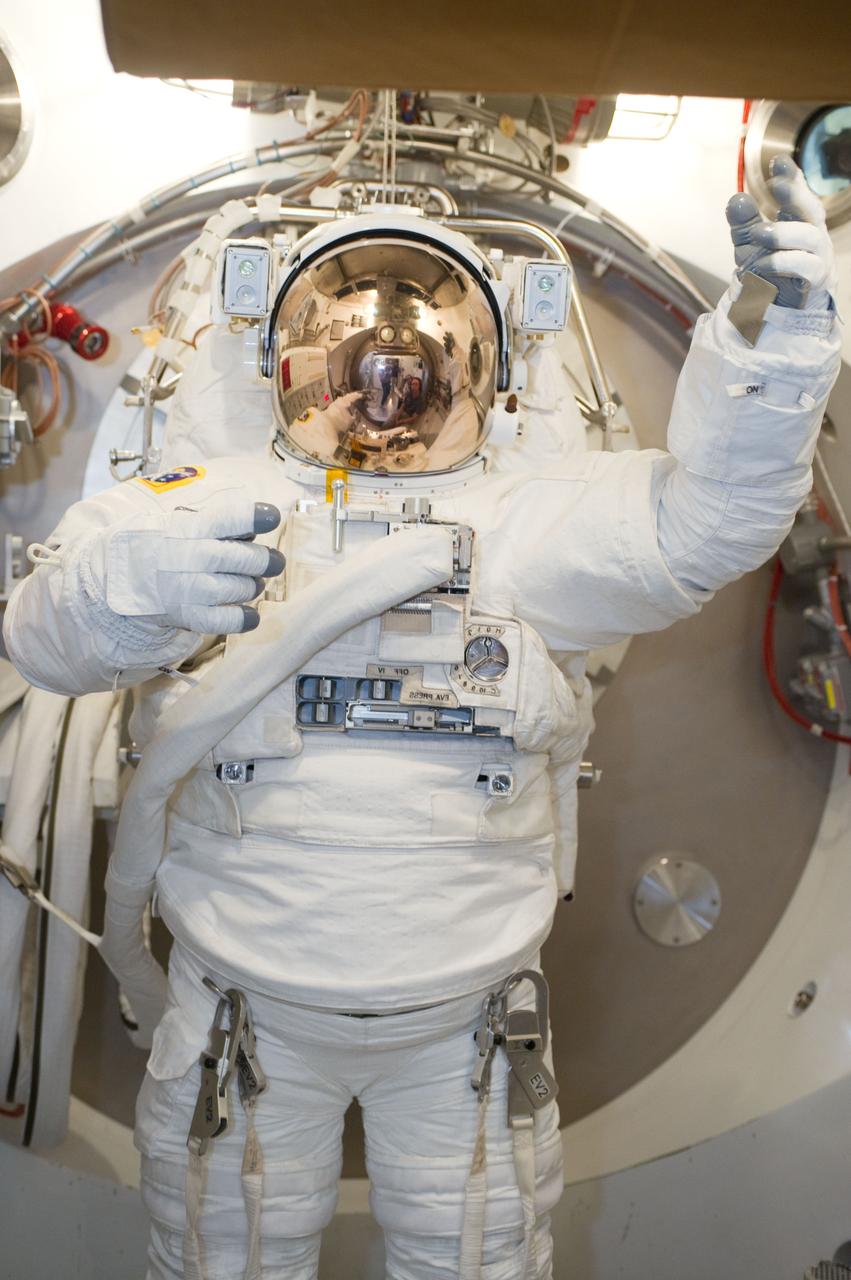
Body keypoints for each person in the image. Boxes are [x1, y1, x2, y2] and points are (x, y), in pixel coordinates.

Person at [2, 158, 842, 1280]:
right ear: (288, 357)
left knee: (474, 1261)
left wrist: (770, 358)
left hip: (465, 1017)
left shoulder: (531, 518)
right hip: (247, 1005)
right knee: (222, 1258)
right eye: (354, 343)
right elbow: (40, 633)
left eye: (421, 348)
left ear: (486, 368)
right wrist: (129, 589)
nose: (386, 378)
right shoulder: (201, 501)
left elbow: (705, 521)